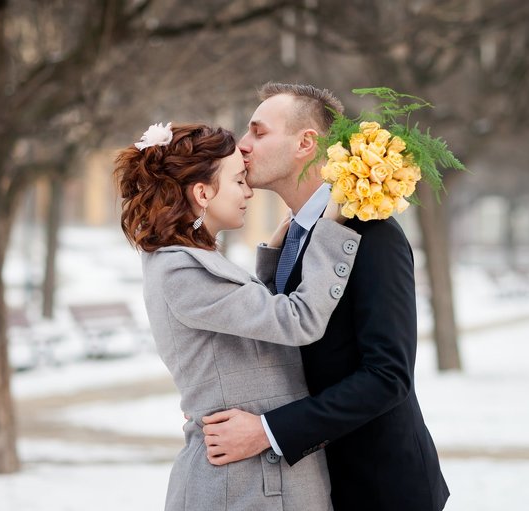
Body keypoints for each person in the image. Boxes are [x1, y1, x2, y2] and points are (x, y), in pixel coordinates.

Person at [201, 83, 450, 511]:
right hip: (315, 485)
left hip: (379, 490)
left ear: (305, 143)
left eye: (258, 132)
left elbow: (387, 376)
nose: (242, 145)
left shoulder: (370, 232)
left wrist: (266, 432)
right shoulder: (293, 234)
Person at [114, 121, 362, 511]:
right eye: (238, 181)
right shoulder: (182, 269)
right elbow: (298, 321)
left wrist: (275, 252)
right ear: (202, 192)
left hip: (257, 475)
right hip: (246, 485)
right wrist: (329, 228)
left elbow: (245, 323)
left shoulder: (190, 261)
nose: (248, 191)